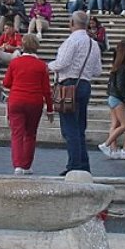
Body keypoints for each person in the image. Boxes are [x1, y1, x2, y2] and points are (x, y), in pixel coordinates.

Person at [49, 11, 102, 175]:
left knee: (69, 127)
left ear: (72, 23)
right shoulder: (94, 44)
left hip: (69, 84)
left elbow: (62, 62)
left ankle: (74, 165)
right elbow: (98, 71)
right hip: (85, 84)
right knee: (79, 127)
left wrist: (47, 66)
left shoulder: (71, 41)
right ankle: (83, 164)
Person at [4, 34, 53, 174]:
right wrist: (50, 109)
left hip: (16, 100)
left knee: (17, 133)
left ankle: (17, 165)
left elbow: (6, 83)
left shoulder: (14, 63)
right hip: (34, 102)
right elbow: (46, 90)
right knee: (30, 134)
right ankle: (26, 165)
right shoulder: (42, 65)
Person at [98, 41, 125, 159]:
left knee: (115, 124)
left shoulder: (116, 66)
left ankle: (113, 149)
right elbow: (121, 86)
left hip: (112, 96)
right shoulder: (123, 68)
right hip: (118, 98)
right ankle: (106, 144)